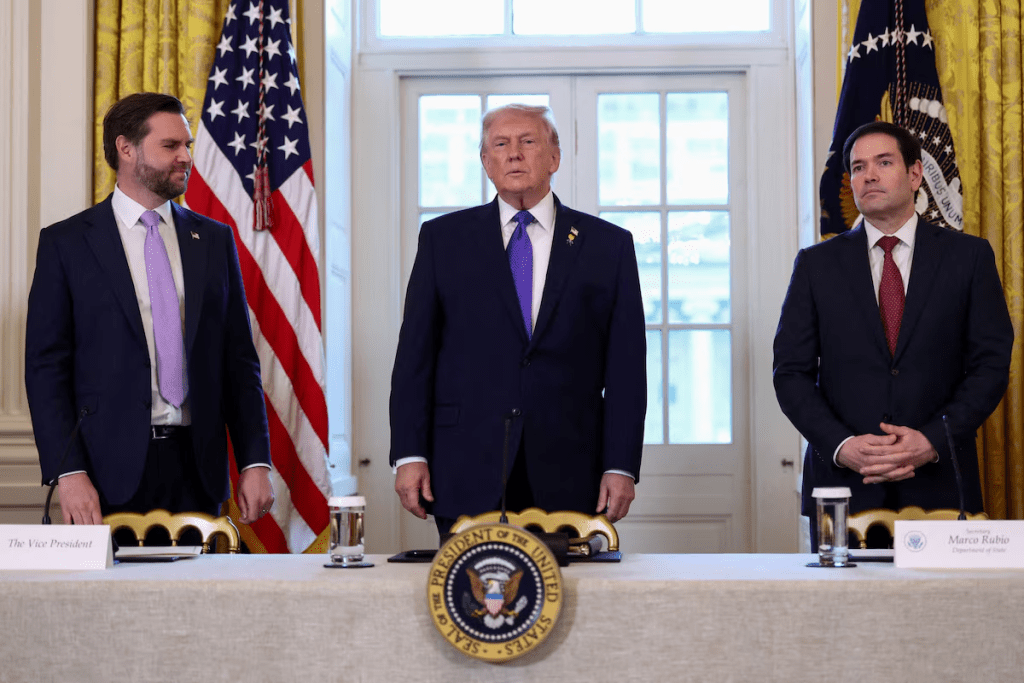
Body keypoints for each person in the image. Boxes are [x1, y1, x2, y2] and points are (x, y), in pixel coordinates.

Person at [389, 104, 647, 534]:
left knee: (569, 598)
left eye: (528, 142)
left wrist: (621, 464)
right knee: (471, 598)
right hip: (465, 465)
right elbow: (415, 357)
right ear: (486, 162)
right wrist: (410, 455)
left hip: (571, 468)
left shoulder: (608, 247)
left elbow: (626, 369)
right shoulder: (443, 240)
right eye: (500, 144)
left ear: (554, 158)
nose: (514, 154)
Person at [25, 92, 274, 527]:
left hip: (198, 472)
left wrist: (255, 461)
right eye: (171, 146)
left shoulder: (214, 241)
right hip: (104, 476)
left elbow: (239, 363)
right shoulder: (65, 245)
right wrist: (69, 472)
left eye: (187, 146)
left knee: (199, 597)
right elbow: (46, 369)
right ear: (126, 148)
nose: (185, 157)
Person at [773, 120, 1013, 545]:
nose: (869, 175)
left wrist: (931, 440)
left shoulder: (969, 257)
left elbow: (990, 366)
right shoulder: (816, 265)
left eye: (884, 162)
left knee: (945, 611)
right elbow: (790, 373)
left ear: (916, 174)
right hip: (842, 483)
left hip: (939, 478)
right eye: (859, 167)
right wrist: (842, 444)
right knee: (841, 612)